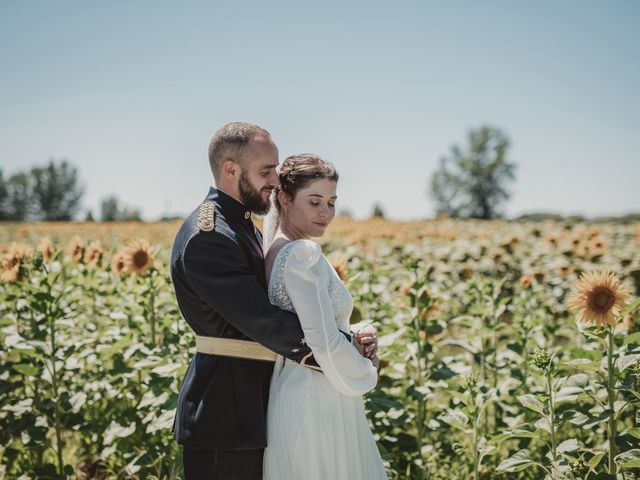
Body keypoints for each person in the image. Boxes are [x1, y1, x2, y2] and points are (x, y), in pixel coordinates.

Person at [170, 122, 377, 480]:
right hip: (224, 408)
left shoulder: (241, 224)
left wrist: (349, 333)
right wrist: (342, 350)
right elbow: (262, 319)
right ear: (230, 169)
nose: (275, 179)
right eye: (266, 170)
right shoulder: (211, 236)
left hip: (253, 400)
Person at [262, 154, 388, 479]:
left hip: (297, 387)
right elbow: (323, 341)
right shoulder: (302, 253)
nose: (326, 213)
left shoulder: (277, 250)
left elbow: (311, 324)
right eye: (315, 201)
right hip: (316, 397)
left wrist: (358, 332)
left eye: (331, 202)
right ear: (284, 199)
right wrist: (366, 369)